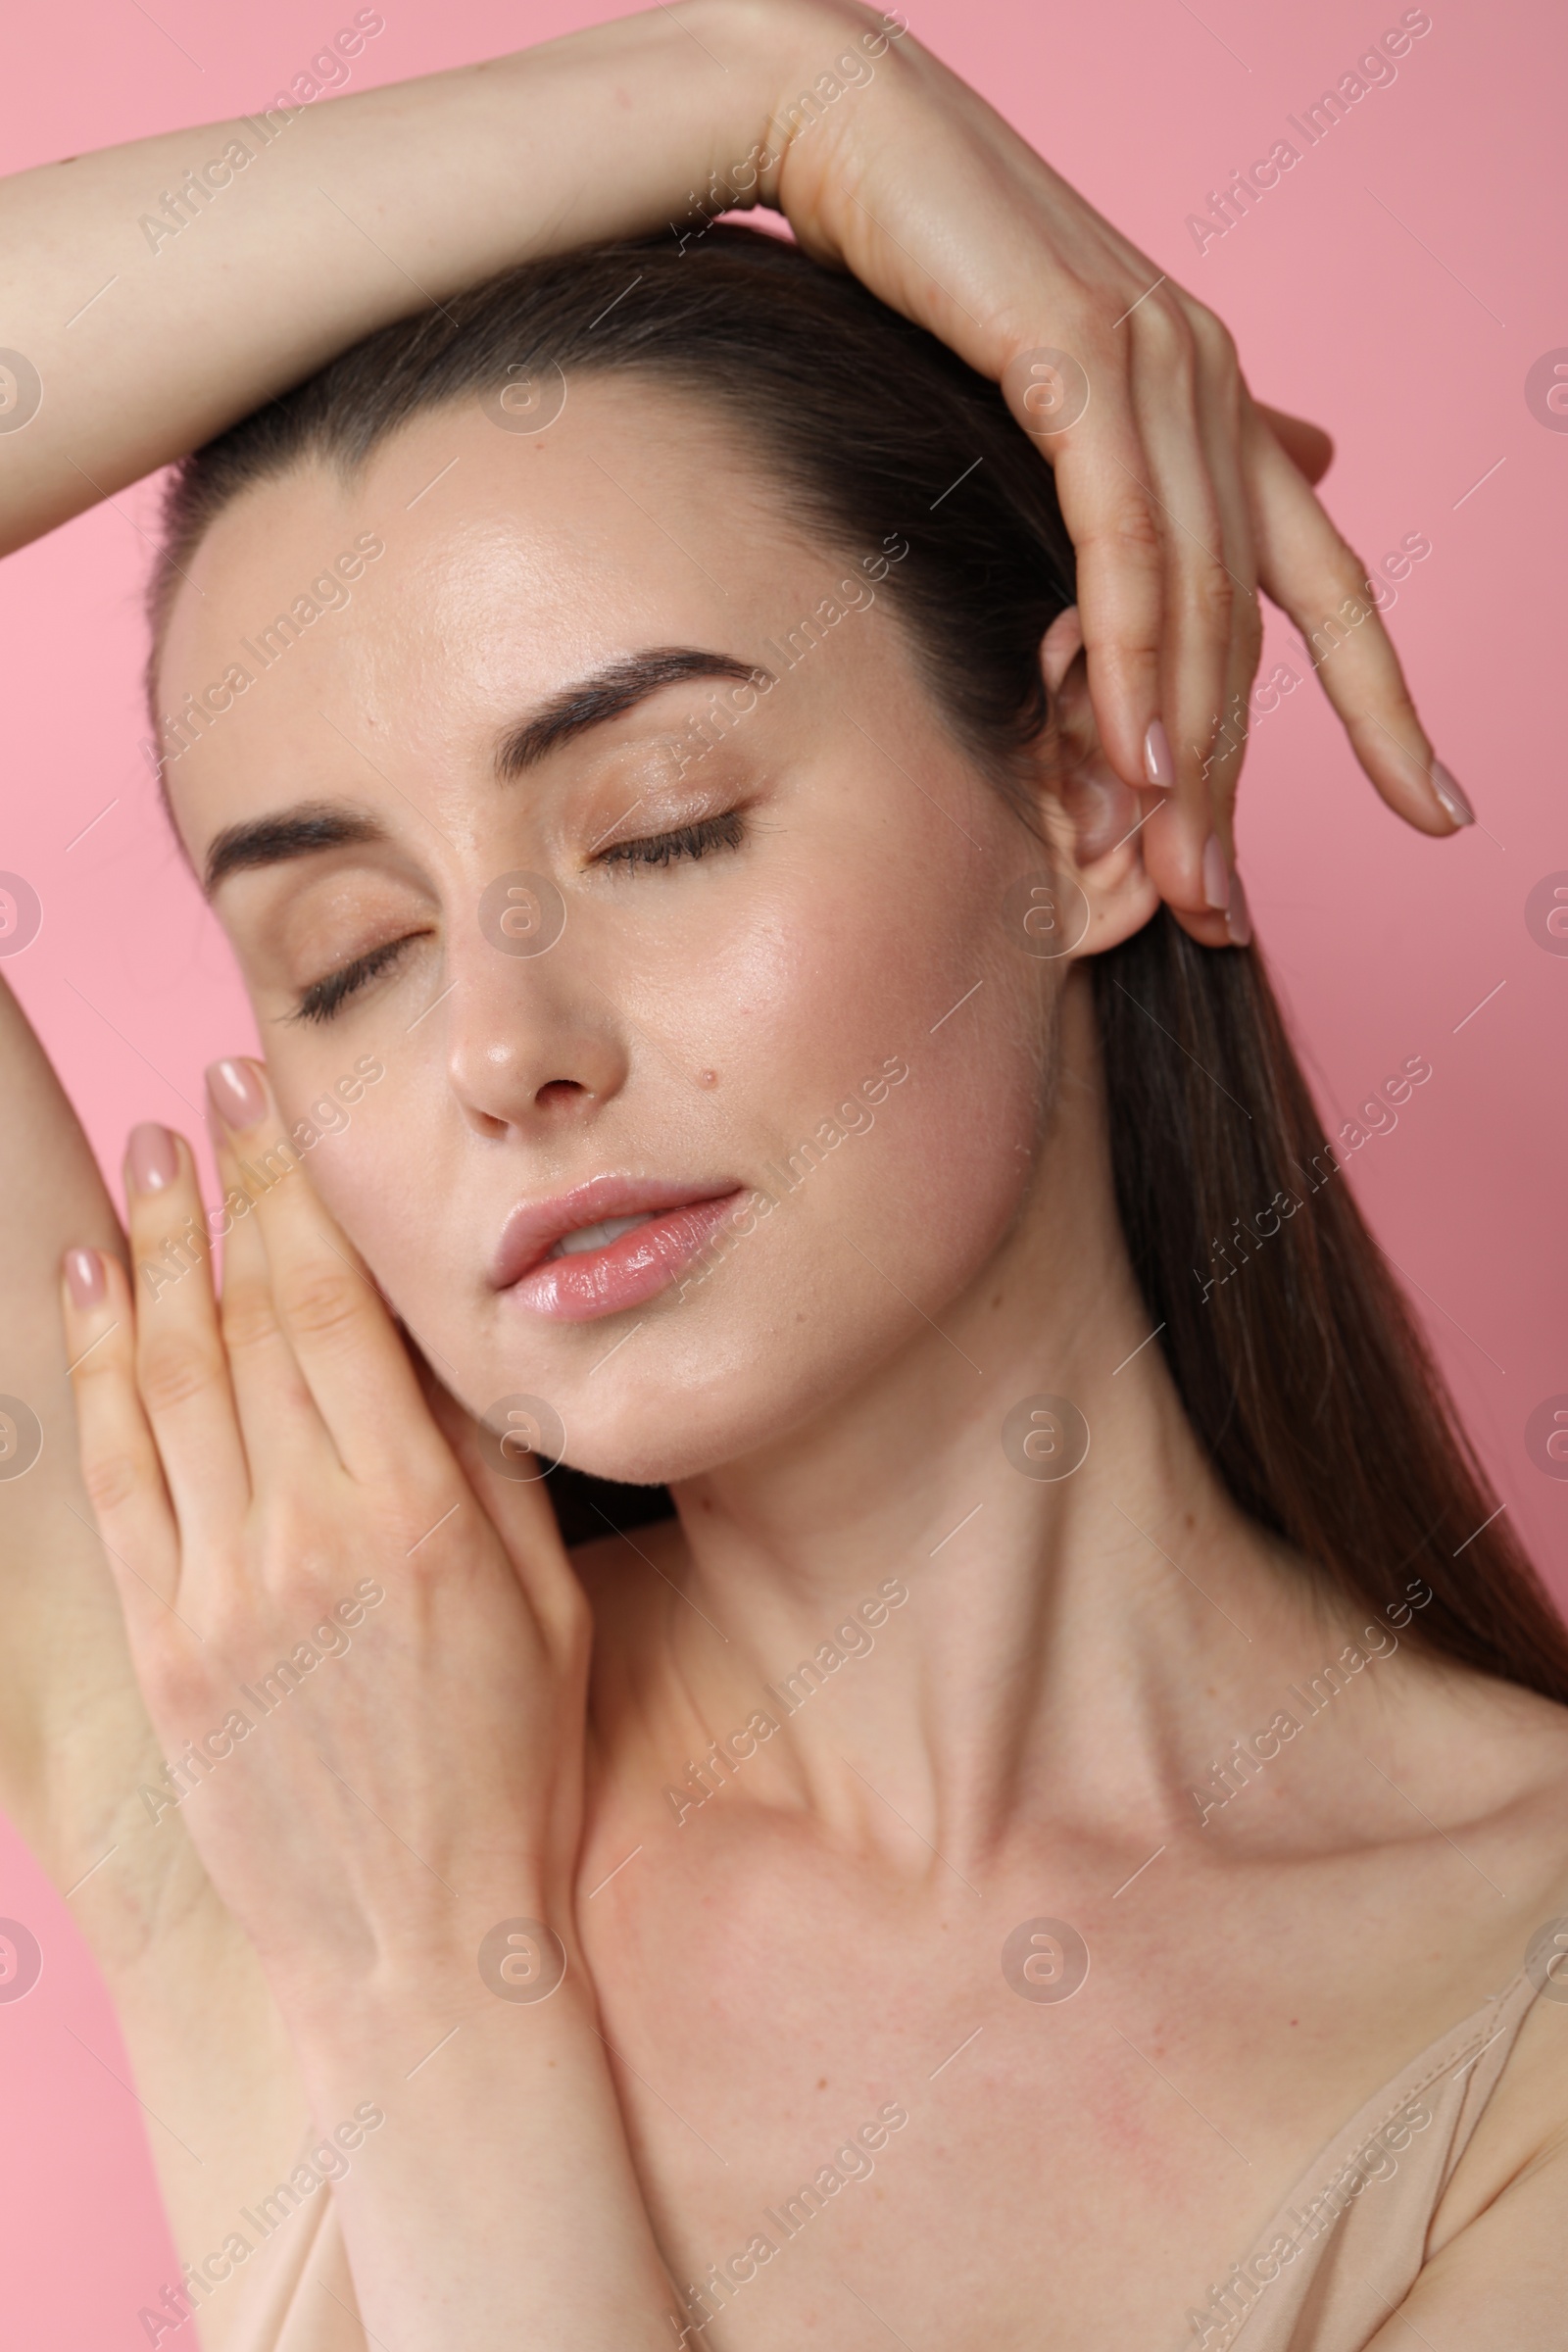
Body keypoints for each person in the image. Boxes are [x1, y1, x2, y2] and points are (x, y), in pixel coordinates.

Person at [4, 7, 1562, 2349]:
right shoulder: (289, 1705)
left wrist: (435, 1988)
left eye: (659, 829)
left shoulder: (1505, 2009)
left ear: (1090, 800)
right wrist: (762, 85)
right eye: (346, 958)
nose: (504, 1051)